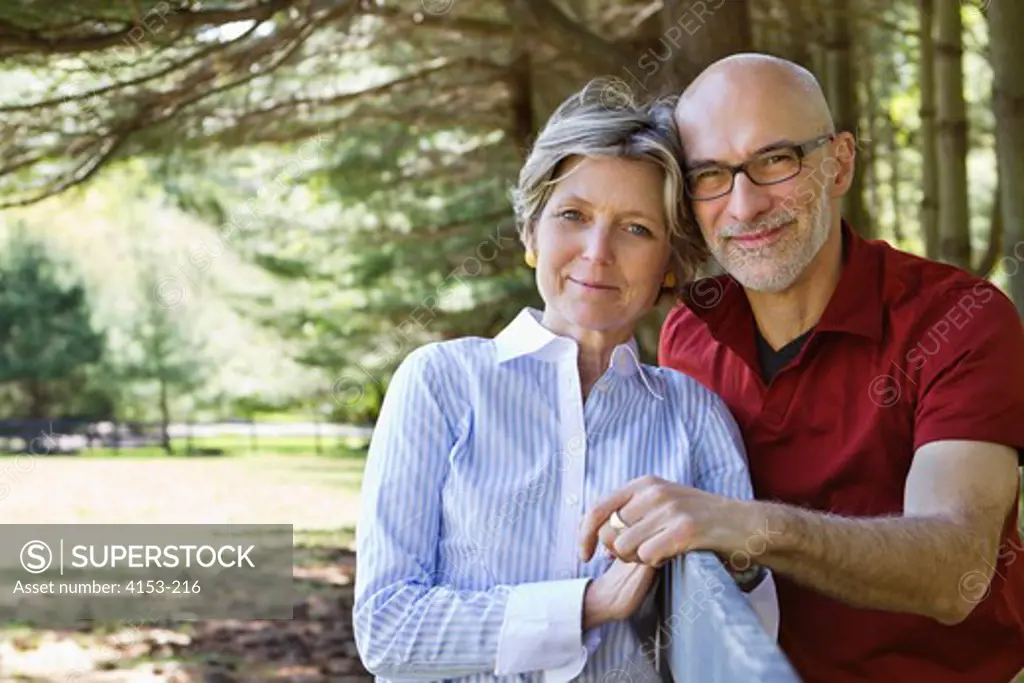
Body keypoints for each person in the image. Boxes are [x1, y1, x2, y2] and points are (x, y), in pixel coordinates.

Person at [578, 53, 1024, 683]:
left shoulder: (961, 320)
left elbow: (957, 572)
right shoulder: (688, 334)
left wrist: (751, 525)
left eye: (775, 160)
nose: (744, 205)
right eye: (710, 174)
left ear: (839, 163)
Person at [353, 81, 778, 683]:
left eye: (636, 229)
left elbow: (744, 646)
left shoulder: (697, 417)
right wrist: (588, 606)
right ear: (531, 234)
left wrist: (734, 558)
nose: (597, 252)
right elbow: (388, 631)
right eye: (573, 216)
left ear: (670, 266)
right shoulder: (440, 385)